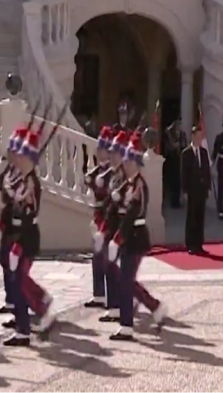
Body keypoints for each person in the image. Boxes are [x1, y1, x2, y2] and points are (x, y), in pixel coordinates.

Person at [107, 132, 166, 341]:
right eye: (126, 161)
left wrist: (116, 239)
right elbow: (118, 211)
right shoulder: (127, 183)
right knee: (126, 280)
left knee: (125, 280)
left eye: (130, 161)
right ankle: (152, 307)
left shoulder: (139, 186)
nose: (126, 165)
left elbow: (132, 214)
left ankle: (127, 325)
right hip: (126, 237)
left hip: (135, 237)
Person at [3, 129, 57, 346]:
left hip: (27, 236)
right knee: (17, 280)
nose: (19, 159)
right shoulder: (21, 178)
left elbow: (27, 214)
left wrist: (17, 246)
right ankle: (25, 321)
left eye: (24, 156)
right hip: (18, 234)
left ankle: (37, 314)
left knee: (19, 280)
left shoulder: (31, 183)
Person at [95, 130, 130, 323]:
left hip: (122, 228)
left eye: (116, 152)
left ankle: (143, 303)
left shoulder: (126, 176)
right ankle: (114, 305)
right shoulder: (115, 174)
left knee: (122, 271)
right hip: (112, 225)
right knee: (110, 267)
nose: (112, 155)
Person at [0, 125, 27, 316]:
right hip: (8, 223)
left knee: (16, 267)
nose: (10, 154)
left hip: (19, 228)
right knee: (4, 261)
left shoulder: (23, 175)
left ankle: (20, 301)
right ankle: (11, 300)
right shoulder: (11, 171)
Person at [83, 126, 115, 308]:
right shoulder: (97, 171)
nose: (99, 152)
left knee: (107, 258)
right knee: (96, 257)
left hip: (108, 219)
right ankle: (99, 294)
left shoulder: (112, 173)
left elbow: (107, 194)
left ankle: (112, 297)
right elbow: (89, 179)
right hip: (97, 218)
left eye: (102, 149)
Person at [182, 126, 210, 254]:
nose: (199, 139)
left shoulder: (204, 152)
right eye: (197, 136)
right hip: (191, 190)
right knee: (191, 217)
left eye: (200, 136)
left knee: (200, 217)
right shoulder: (186, 153)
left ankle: (199, 244)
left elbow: (206, 171)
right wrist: (185, 191)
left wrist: (208, 187)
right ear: (193, 136)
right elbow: (183, 173)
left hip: (201, 190)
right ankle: (190, 244)